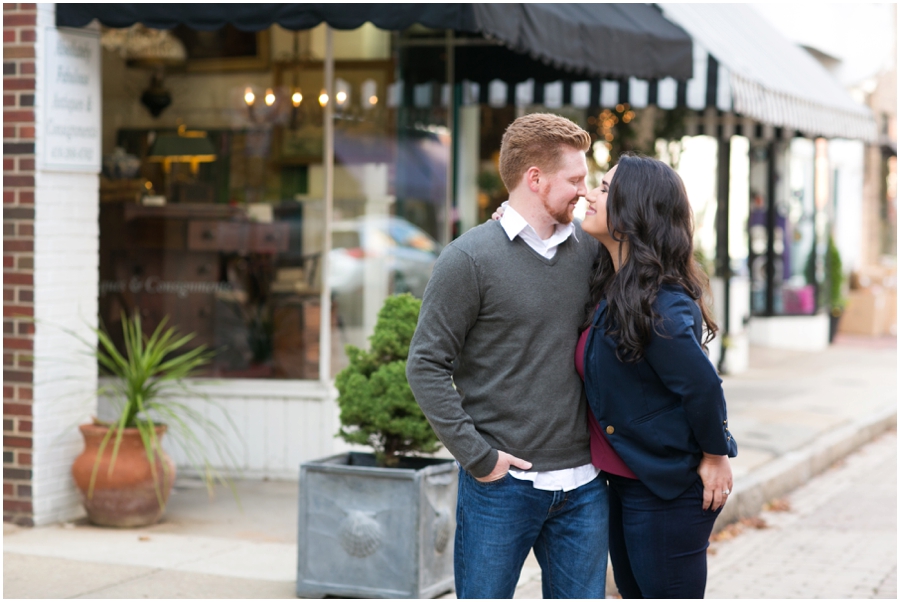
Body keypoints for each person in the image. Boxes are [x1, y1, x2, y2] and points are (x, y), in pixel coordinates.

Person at [406, 113, 609, 599]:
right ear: (534, 179)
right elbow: (426, 365)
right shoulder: (469, 259)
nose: (584, 191)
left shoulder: (593, 254)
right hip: (500, 487)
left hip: (584, 487)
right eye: (576, 179)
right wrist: (479, 458)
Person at [578, 154, 738, 598]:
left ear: (634, 211)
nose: (590, 193)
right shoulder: (611, 282)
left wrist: (714, 454)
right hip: (626, 483)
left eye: (605, 188)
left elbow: (702, 384)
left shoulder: (659, 303)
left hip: (666, 490)